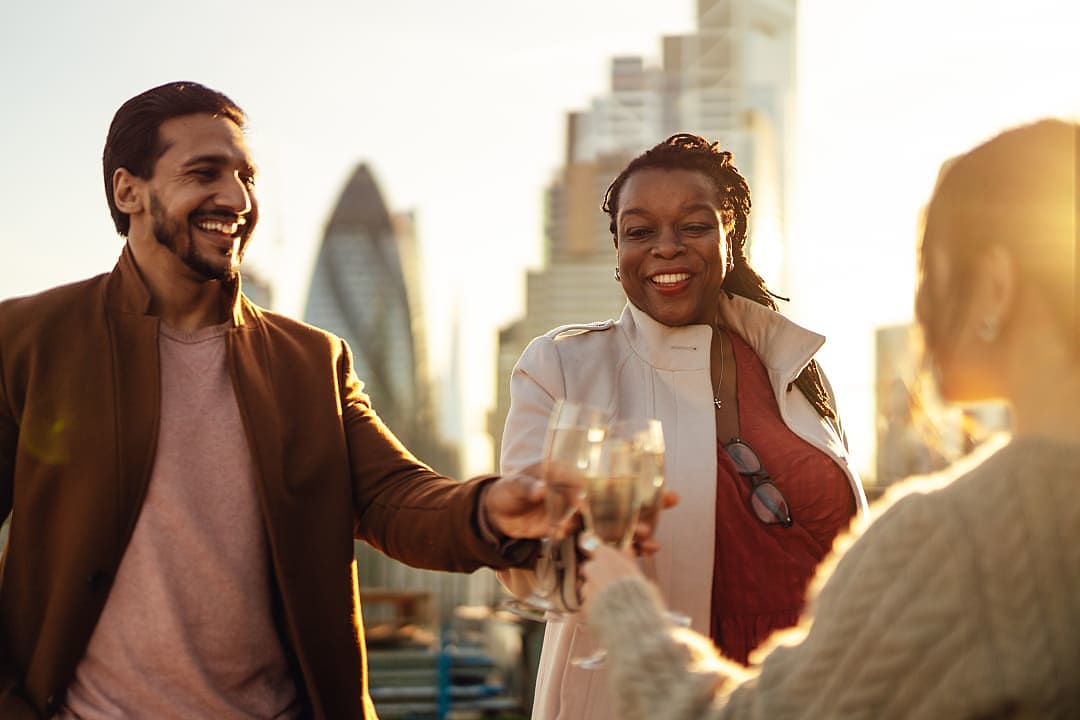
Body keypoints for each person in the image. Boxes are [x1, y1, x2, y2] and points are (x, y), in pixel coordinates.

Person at [0, 81, 549, 720]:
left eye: (247, 176)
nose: (237, 199)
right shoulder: (28, 341)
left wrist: (489, 509)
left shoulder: (311, 361)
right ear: (129, 190)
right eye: (204, 173)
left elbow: (396, 498)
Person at [578, 118, 1080, 718]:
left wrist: (622, 600)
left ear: (996, 286)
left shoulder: (961, 537)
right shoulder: (570, 362)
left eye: (926, 267)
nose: (919, 305)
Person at [498, 133, 870, 719]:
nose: (665, 248)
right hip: (647, 693)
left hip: (819, 691)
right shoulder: (563, 366)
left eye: (693, 226)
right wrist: (543, 536)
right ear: (618, 252)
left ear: (730, 236)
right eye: (640, 231)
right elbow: (532, 563)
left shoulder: (794, 364)